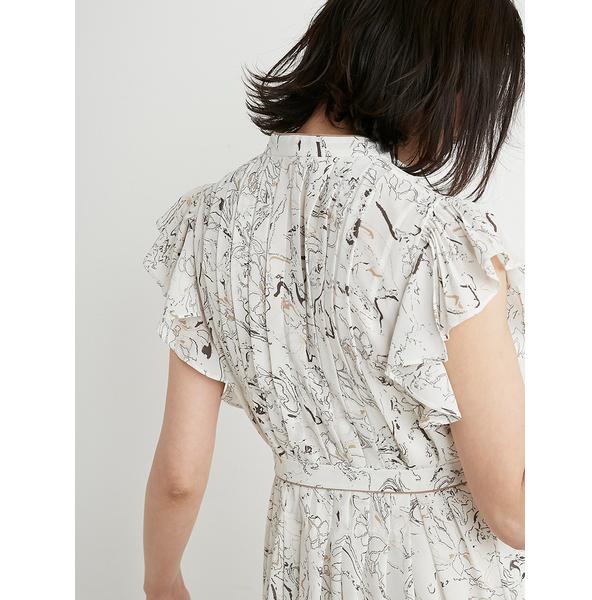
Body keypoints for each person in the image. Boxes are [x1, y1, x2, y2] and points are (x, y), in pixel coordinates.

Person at [142, 1, 525, 598]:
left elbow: (179, 475)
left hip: (302, 565)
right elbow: (513, 509)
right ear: (438, 74)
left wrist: (162, 583)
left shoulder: (208, 223)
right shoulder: (440, 240)